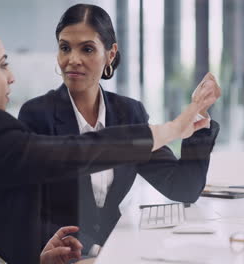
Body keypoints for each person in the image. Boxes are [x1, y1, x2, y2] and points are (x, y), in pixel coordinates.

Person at [0, 19, 218, 264]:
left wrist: (37, 257)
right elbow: (79, 152)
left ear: (110, 55)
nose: (11, 77)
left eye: (87, 49)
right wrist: (175, 127)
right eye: (2, 64)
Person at [18, 3, 221, 256]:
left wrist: (199, 120)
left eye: (87, 49)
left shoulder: (129, 114)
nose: (73, 59)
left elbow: (182, 187)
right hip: (64, 256)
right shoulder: (37, 115)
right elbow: (24, 212)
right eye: (65, 47)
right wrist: (87, 251)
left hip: (116, 249)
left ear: (110, 55)